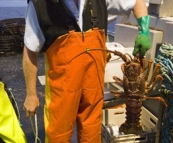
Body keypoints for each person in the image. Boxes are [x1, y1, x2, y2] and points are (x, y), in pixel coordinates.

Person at [23, 0, 151, 142]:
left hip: (93, 93)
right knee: (58, 135)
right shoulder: (38, 5)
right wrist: (31, 95)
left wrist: (144, 30)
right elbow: (30, 52)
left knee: (92, 135)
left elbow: (137, 3)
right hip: (61, 93)